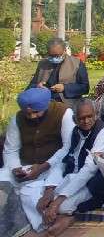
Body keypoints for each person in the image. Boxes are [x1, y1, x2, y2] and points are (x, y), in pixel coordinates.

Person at [0, 88, 74, 235]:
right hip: (26, 167)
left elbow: (68, 148)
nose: (31, 116)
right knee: (2, 178)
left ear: (45, 106)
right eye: (28, 113)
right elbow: (11, 150)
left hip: (54, 166)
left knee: (30, 194)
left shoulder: (64, 113)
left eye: (35, 112)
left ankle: (46, 224)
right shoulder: (18, 118)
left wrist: (41, 168)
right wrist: (15, 168)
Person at [37, 101, 104, 235]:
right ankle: (60, 215)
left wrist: (57, 202)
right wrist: (49, 189)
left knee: (60, 206)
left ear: (96, 115)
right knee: (43, 199)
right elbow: (64, 159)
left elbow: (90, 169)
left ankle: (70, 218)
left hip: (93, 181)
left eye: (90, 116)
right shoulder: (76, 131)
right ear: (75, 120)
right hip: (73, 177)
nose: (86, 121)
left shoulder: (103, 131)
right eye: (81, 118)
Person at [27, 38, 89, 107]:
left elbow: (85, 88)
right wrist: (37, 86)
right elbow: (30, 86)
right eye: (51, 55)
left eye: (57, 55)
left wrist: (64, 88)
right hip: (44, 103)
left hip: (68, 104)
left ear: (65, 51)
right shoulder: (43, 64)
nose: (54, 58)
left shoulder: (77, 63)